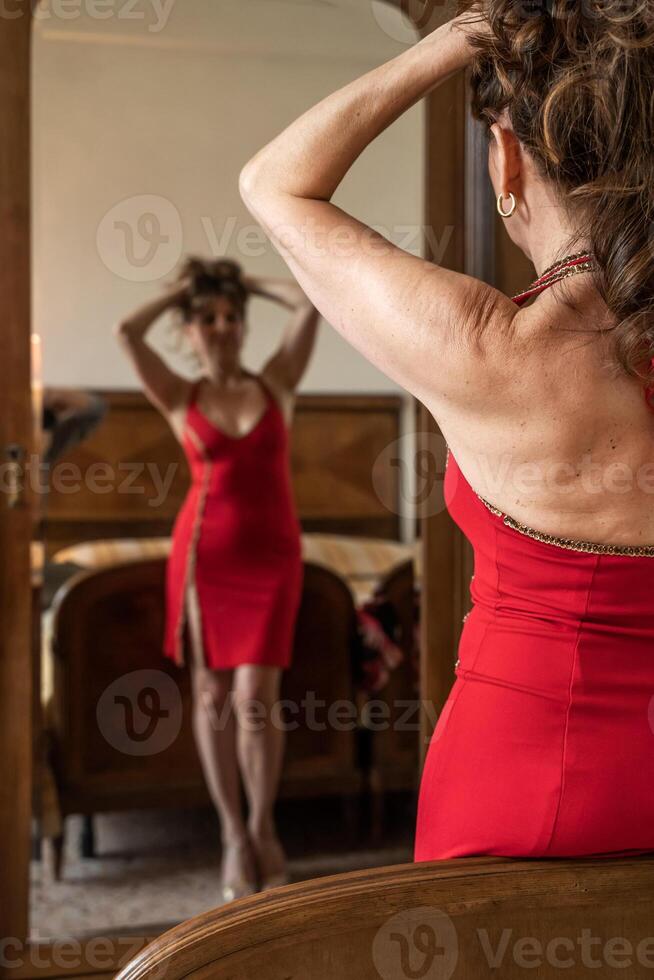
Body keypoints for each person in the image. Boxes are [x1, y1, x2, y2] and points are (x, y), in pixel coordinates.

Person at [238, 2, 654, 861]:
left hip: (522, 793)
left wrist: (463, 34)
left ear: (506, 159)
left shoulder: (492, 349)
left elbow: (275, 184)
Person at [115, 257, 319, 897]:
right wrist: (187, 290)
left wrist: (247, 282)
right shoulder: (180, 396)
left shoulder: (278, 382)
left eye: (233, 317)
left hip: (273, 559)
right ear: (191, 329)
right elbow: (127, 332)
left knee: (256, 700)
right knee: (212, 698)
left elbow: (310, 304)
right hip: (206, 561)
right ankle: (231, 834)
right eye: (209, 319)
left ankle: (264, 829)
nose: (224, 327)